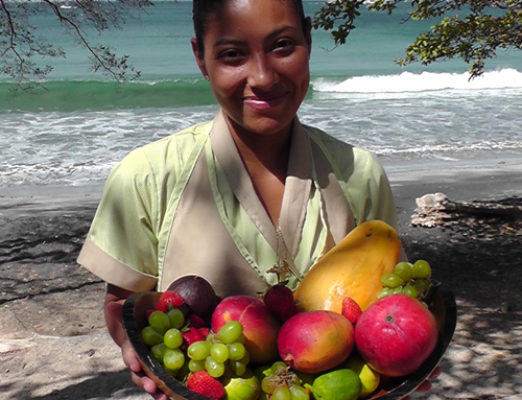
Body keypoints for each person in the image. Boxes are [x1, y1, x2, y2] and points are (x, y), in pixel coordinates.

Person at [77, 0, 438, 398]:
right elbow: (123, 305)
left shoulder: (359, 174)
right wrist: (134, 349)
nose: (263, 77)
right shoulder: (145, 177)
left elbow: (388, 304)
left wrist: (405, 357)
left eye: (283, 45)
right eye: (232, 54)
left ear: (309, 39)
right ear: (201, 57)